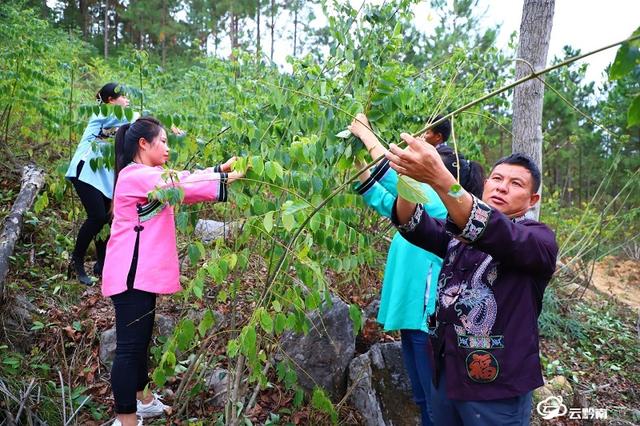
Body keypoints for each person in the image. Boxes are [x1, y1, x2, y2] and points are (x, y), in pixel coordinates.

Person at [386, 134, 558, 426]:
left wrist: (441, 179)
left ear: (532, 200)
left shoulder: (537, 240)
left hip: (496, 387)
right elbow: (413, 224)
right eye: (496, 178)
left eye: (516, 184)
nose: (502, 187)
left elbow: (494, 231)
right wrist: (408, 180)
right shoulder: (458, 233)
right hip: (446, 375)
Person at [103, 117, 242, 426]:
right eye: (162, 141)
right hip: (130, 276)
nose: (167, 147)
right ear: (143, 144)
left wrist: (219, 171)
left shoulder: (149, 175)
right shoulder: (134, 175)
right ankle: (126, 420)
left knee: (140, 341)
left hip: (139, 276)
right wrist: (224, 180)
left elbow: (179, 178)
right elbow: (177, 184)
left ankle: (145, 401)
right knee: (128, 349)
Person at [347, 113, 484, 425]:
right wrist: (357, 159)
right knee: (422, 396)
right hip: (412, 315)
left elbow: (398, 180)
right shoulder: (420, 212)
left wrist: (368, 136)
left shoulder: (447, 210)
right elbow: (381, 197)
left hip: (429, 321)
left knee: (434, 402)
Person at [65, 83, 135, 285]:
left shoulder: (120, 120)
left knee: (106, 219)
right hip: (85, 169)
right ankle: (76, 262)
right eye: (123, 96)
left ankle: (102, 266)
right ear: (110, 101)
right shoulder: (101, 112)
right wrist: (153, 120)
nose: (127, 100)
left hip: (102, 177)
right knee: (96, 217)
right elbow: (133, 119)